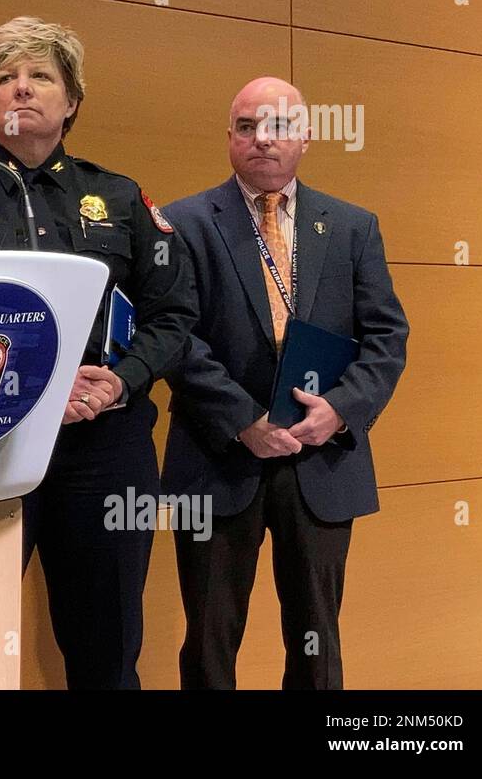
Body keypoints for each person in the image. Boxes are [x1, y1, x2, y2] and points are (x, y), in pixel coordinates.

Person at [0, 16, 196, 688]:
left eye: (40, 76)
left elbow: (174, 315)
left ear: (72, 103)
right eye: (3, 79)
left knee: (108, 650)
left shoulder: (120, 199)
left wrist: (119, 383)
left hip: (104, 450)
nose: (20, 90)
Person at [162, 76, 408, 689]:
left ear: (304, 136)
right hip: (219, 457)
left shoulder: (353, 227)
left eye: (276, 127)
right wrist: (245, 420)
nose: (261, 141)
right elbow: (176, 339)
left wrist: (342, 410)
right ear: (229, 138)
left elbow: (387, 338)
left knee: (317, 641)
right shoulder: (182, 224)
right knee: (210, 642)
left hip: (321, 461)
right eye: (246, 128)